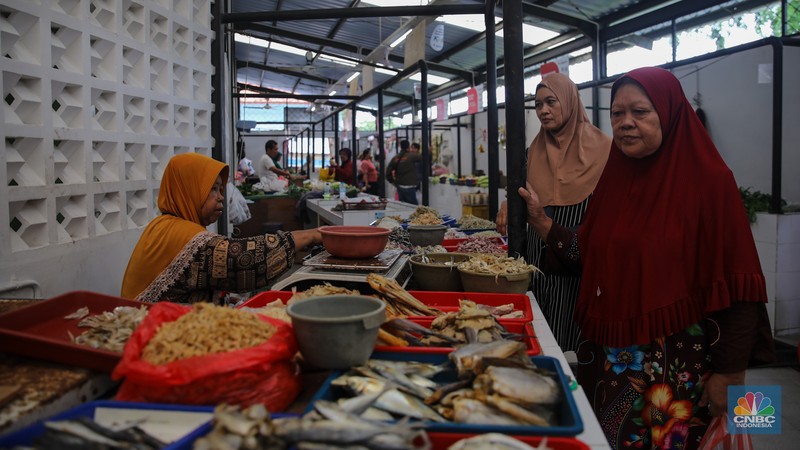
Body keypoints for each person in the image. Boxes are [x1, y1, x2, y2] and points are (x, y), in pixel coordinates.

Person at [517, 67, 774, 450]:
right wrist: (542, 222)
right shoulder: (615, 181)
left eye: (640, 112)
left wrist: (732, 376)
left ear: (669, 113)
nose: (626, 123)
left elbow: (738, 281)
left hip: (683, 372)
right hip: (616, 365)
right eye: (617, 113)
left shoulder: (711, 182)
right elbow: (590, 254)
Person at [496, 72, 611, 352]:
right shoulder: (531, 153)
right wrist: (509, 202)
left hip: (578, 267)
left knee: (571, 339)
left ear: (569, 102)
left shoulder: (606, 152)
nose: (543, 111)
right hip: (538, 261)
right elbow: (520, 190)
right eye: (538, 105)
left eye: (551, 102)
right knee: (538, 333)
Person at [121, 153, 322, 304]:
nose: (221, 197)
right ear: (188, 190)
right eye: (212, 189)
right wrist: (311, 236)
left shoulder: (165, 225)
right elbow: (247, 260)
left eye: (220, 189)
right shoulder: (180, 235)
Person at [386, 139, 421, 204]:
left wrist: (393, 182)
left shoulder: (395, 158)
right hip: (410, 185)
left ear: (401, 147)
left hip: (400, 185)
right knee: (413, 206)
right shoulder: (412, 156)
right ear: (408, 147)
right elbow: (423, 157)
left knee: (403, 205)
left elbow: (388, 173)